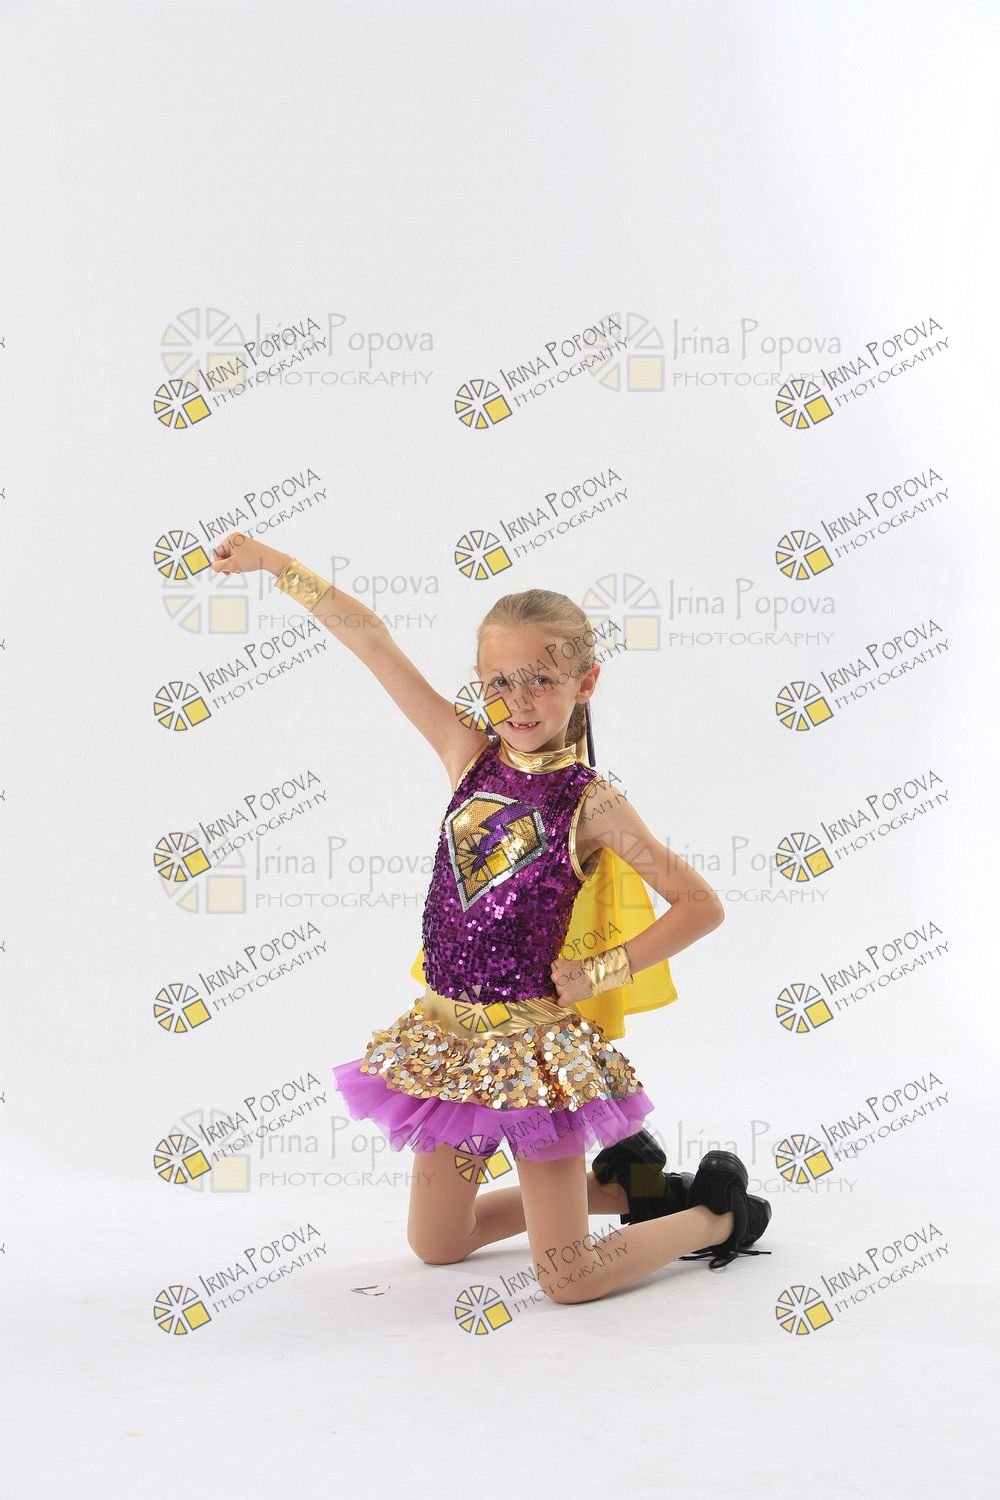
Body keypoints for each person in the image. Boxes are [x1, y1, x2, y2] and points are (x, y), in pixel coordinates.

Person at [210, 534, 772, 1304]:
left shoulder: (592, 803)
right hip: (450, 1041)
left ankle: (716, 1214)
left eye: (541, 679)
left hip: (534, 1056)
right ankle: (624, 1186)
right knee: (436, 1244)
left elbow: (700, 905)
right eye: (500, 681)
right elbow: (372, 642)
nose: (519, 700)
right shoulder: (465, 754)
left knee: (567, 1279)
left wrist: (600, 971)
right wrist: (277, 565)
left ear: (585, 682)